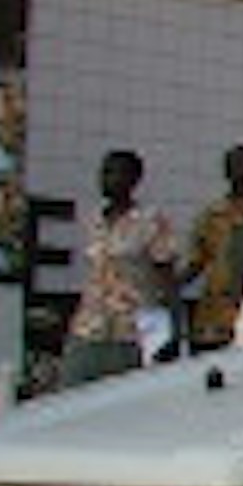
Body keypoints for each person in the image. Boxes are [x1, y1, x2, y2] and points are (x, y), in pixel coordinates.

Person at [65, 148, 182, 383]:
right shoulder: (95, 220)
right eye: (103, 172)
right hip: (89, 328)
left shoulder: (151, 222)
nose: (105, 179)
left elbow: (167, 282)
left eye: (113, 172)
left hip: (131, 334)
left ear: (133, 179)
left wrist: (170, 333)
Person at [186, 143, 243, 351]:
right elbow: (197, 260)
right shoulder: (211, 214)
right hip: (214, 311)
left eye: (241, 165)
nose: (235, 171)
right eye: (230, 166)